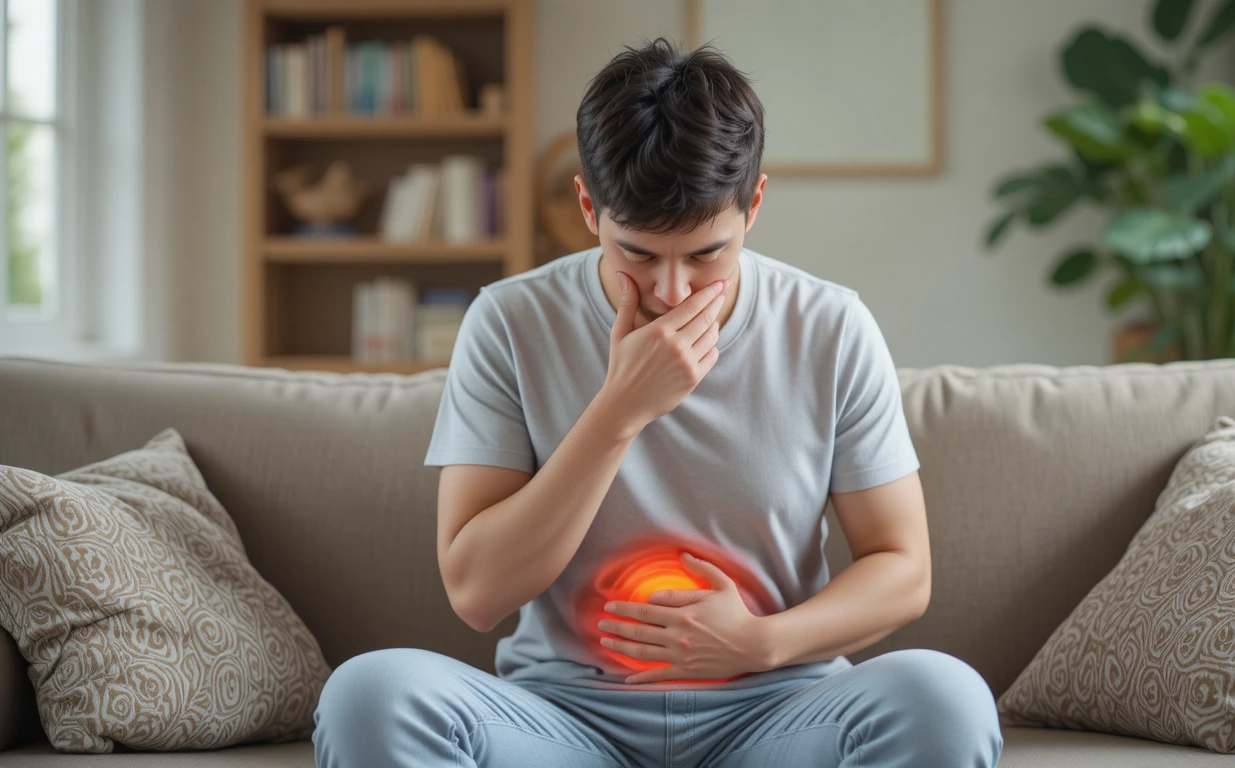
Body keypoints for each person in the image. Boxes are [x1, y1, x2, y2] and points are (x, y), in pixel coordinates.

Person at [313, 37, 1002, 768]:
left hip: (778, 713)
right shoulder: (510, 322)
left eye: (708, 254)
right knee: (370, 693)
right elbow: (479, 593)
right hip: (563, 720)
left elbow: (903, 569)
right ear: (588, 206)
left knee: (945, 696)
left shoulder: (830, 325)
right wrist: (618, 413)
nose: (672, 292)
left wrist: (761, 642)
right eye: (637, 253)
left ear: (755, 204)